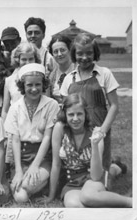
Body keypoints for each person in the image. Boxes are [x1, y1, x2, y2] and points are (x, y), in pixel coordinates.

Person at [45, 93, 132, 207]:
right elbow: (56, 164)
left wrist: (94, 145)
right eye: (71, 114)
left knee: (88, 197)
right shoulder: (60, 128)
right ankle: (116, 166)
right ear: (65, 114)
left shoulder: (96, 132)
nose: (75, 119)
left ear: (86, 113)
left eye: (79, 114)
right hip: (72, 180)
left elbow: (96, 176)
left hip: (92, 178)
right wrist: (51, 195)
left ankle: (130, 202)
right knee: (74, 205)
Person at [60, 33, 120, 176]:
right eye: (80, 53)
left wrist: (102, 130)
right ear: (74, 54)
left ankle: (116, 168)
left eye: (89, 53)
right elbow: (64, 109)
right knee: (80, 166)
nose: (85, 57)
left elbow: (114, 106)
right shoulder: (69, 79)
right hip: (77, 128)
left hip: (99, 127)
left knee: (101, 173)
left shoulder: (104, 74)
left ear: (95, 53)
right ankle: (115, 166)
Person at [4, 63, 59, 203]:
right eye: (29, 85)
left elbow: (47, 137)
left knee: (26, 186)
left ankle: (42, 181)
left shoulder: (52, 105)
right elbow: (15, 140)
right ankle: (32, 184)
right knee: (21, 198)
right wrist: (18, 170)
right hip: (21, 156)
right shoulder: (15, 108)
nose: (34, 89)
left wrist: (35, 165)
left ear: (43, 84)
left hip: (42, 157)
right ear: (23, 86)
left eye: (38, 84)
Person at [1, 42, 41, 121]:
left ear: (35, 59)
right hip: (15, 122)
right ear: (18, 60)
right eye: (24, 59)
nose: (27, 63)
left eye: (31, 59)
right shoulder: (9, 80)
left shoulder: (42, 79)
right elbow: (5, 110)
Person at [48, 34, 76, 103]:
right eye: (55, 52)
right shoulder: (51, 75)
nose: (59, 54)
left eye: (62, 50)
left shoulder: (78, 70)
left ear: (70, 50)